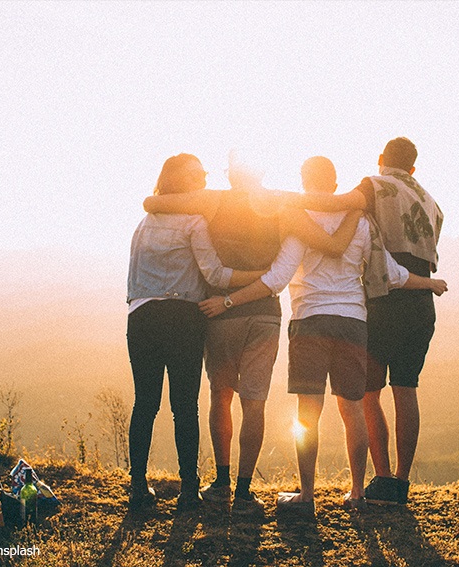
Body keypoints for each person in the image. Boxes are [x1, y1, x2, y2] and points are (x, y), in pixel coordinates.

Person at [199, 156, 446, 515]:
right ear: (334, 185)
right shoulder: (361, 222)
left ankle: (307, 496)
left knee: (308, 414)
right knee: (353, 411)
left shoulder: (299, 220)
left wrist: (228, 300)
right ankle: (358, 493)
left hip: (310, 321)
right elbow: (392, 273)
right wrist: (430, 283)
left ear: (303, 181)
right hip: (353, 323)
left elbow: (277, 278)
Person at [143, 153, 360, 515]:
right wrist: (355, 206)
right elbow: (327, 239)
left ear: (231, 175)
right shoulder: (282, 204)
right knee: (254, 402)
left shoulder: (214, 200)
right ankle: (244, 492)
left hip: (220, 313)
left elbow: (153, 202)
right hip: (264, 314)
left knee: (221, 395)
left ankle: (222, 482)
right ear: (261, 170)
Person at [285, 138, 444, 505]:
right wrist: (431, 284)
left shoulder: (374, 185)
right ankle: (400, 484)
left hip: (383, 299)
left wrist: (282, 200)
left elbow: (336, 204)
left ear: (381, 160)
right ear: (414, 168)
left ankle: (381, 479)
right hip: (420, 302)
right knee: (406, 389)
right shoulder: (432, 203)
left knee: (366, 395)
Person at [126, 153, 265, 512]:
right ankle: (189, 490)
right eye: (197, 174)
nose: (204, 178)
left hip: (141, 317)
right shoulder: (194, 221)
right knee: (184, 406)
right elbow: (215, 276)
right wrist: (261, 277)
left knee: (145, 404)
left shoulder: (144, 223)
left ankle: (138, 488)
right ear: (181, 181)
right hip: (183, 318)